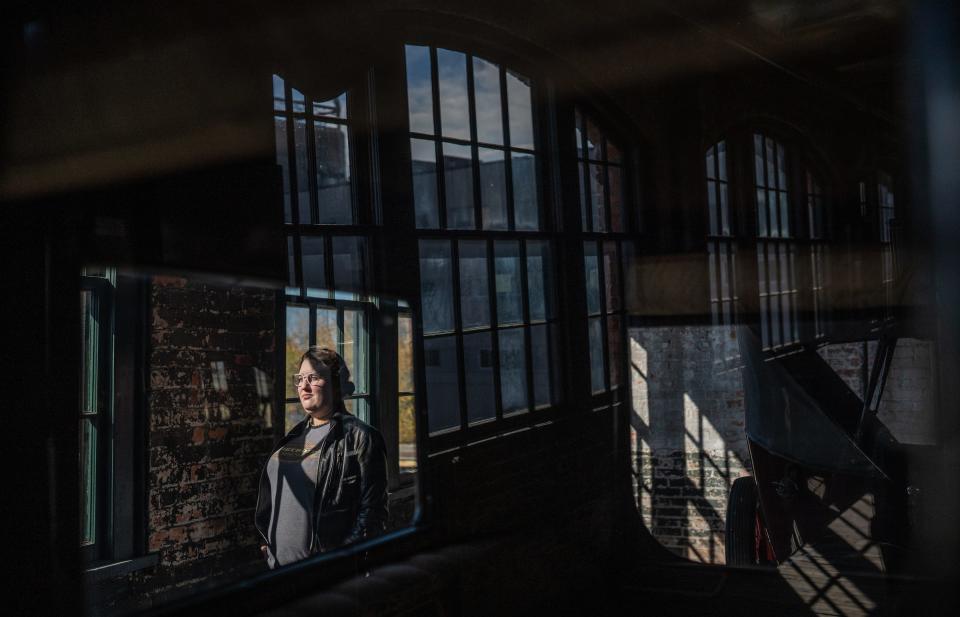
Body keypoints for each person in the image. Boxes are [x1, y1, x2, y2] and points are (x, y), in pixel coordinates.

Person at [254, 347, 388, 568]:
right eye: (300, 379)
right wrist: (266, 544)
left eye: (313, 378)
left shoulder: (362, 437)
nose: (304, 386)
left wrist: (336, 564)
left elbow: (372, 515)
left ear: (336, 384)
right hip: (277, 570)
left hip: (320, 575)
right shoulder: (294, 435)